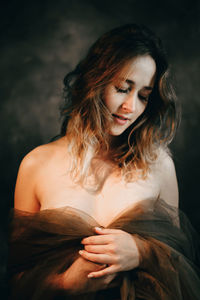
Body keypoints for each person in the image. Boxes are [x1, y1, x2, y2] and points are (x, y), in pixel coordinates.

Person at [8, 24, 200, 300]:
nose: (131, 107)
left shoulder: (159, 165)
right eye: (123, 88)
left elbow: (178, 261)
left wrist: (142, 252)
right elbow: (17, 280)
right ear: (94, 82)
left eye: (144, 96)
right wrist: (64, 284)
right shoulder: (36, 164)